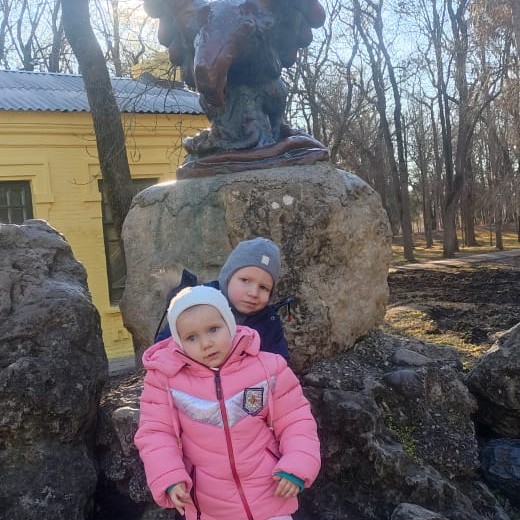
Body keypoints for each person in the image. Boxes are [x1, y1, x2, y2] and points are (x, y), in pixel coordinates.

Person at [135, 285, 320, 520]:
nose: (206, 343)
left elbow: (296, 420)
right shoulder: (165, 380)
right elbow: (156, 434)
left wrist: (297, 465)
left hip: (271, 495)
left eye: (213, 329)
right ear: (178, 341)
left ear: (230, 323)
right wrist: (169, 476)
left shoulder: (269, 368)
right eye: (191, 337)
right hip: (210, 506)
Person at [154, 237, 292, 360]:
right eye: (245, 280)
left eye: (264, 287)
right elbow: (161, 349)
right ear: (228, 277)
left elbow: (279, 362)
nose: (254, 293)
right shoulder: (198, 302)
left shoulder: (268, 321)